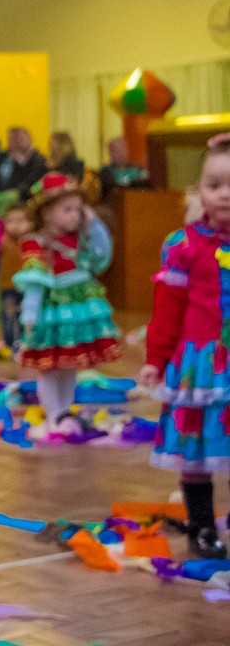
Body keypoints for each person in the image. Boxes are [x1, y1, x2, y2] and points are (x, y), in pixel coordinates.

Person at [139, 133, 230, 558]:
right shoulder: (182, 246)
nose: (224, 195)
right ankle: (201, 527)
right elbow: (168, 310)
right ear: (199, 190)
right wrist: (155, 359)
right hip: (201, 366)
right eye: (214, 185)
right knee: (195, 449)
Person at [14, 172, 120, 428]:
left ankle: (64, 411)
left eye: (78, 209)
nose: (76, 215)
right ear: (47, 213)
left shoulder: (82, 239)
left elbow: (103, 256)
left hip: (79, 310)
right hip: (52, 313)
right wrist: (29, 316)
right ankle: (53, 414)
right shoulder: (36, 243)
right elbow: (34, 285)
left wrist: (93, 223)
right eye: (68, 209)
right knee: (50, 367)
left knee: (70, 364)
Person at [0, 203, 32, 358]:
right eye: (11, 221)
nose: (16, 225)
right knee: (8, 316)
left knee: (25, 316)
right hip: (7, 286)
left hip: (27, 287)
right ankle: (8, 344)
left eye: (21, 220)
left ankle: (24, 343)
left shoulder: (31, 241)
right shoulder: (3, 241)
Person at [0, 127, 48, 201]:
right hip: (4, 194)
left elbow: (34, 182)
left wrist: (19, 191)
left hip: (25, 197)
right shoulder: (5, 156)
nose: (13, 142)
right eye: (11, 139)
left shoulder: (38, 160)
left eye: (18, 139)